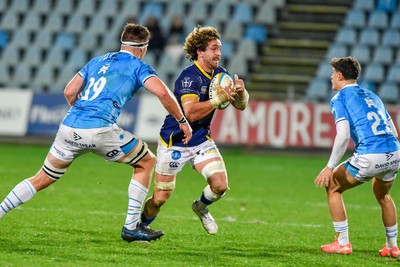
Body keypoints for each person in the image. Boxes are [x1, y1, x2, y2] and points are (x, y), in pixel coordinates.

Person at [0, 23, 192, 243]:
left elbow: (69, 91)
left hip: (69, 127)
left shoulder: (96, 61)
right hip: (99, 129)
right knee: (146, 162)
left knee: (42, 176)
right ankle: (131, 228)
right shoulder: (138, 65)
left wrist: (82, 114)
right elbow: (163, 94)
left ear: (123, 43)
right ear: (142, 48)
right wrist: (182, 121)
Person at [139, 25, 250, 235]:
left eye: (219, 48)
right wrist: (217, 100)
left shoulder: (221, 74)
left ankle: (200, 207)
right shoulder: (189, 78)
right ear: (200, 52)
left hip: (201, 140)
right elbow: (189, 114)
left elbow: (241, 105)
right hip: (175, 142)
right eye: (214, 48)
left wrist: (241, 94)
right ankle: (142, 225)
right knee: (160, 198)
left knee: (220, 186)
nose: (219, 53)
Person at [314, 57, 400, 258]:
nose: (331, 78)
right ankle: (392, 246)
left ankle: (342, 242)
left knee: (333, 184)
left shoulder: (340, 98)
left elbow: (343, 135)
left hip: (370, 154)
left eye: (333, 74)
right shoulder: (372, 95)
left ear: (340, 76)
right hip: (395, 152)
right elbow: (394, 130)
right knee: (384, 195)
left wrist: (329, 166)